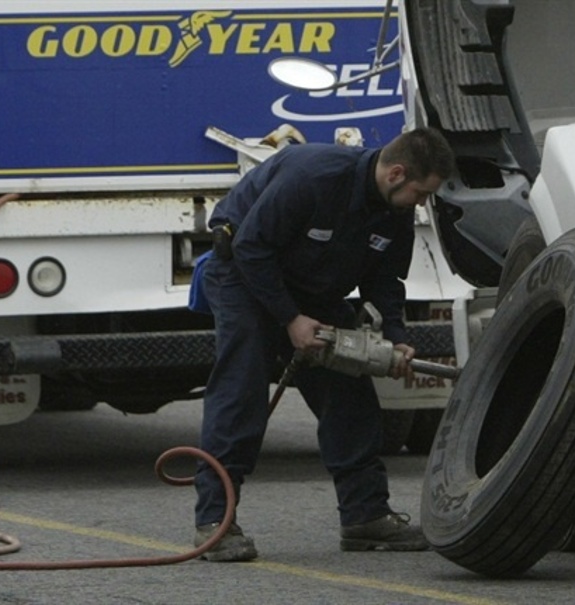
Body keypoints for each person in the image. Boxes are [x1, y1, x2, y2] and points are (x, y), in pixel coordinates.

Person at [193, 127, 455, 561]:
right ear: (396, 173)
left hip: (314, 292)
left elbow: (386, 278)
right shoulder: (314, 178)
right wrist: (291, 320)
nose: (422, 203)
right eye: (421, 192)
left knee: (349, 397)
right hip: (244, 275)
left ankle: (365, 517)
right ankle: (214, 523)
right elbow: (252, 247)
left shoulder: (395, 210)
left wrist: (396, 337)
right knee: (241, 394)